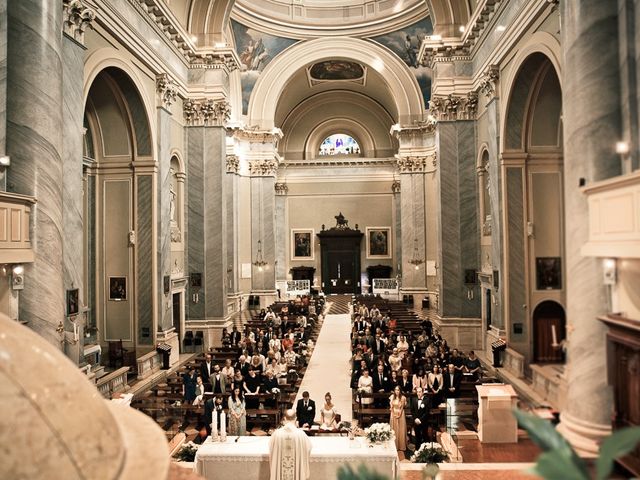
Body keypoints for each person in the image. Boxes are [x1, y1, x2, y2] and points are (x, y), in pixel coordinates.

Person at [269, 409, 312, 480]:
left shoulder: (276, 434)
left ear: (284, 418)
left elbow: (271, 449)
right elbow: (308, 448)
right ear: (295, 418)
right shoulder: (301, 434)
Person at [389, 385, 408, 452]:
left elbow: (402, 407)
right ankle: (394, 445)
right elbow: (391, 406)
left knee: (401, 429)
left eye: (398, 390)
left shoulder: (403, 398)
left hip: (401, 413)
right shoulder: (392, 397)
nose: (397, 391)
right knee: (394, 429)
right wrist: (393, 413)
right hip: (393, 413)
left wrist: (399, 414)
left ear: (400, 391)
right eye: (396, 390)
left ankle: (401, 446)